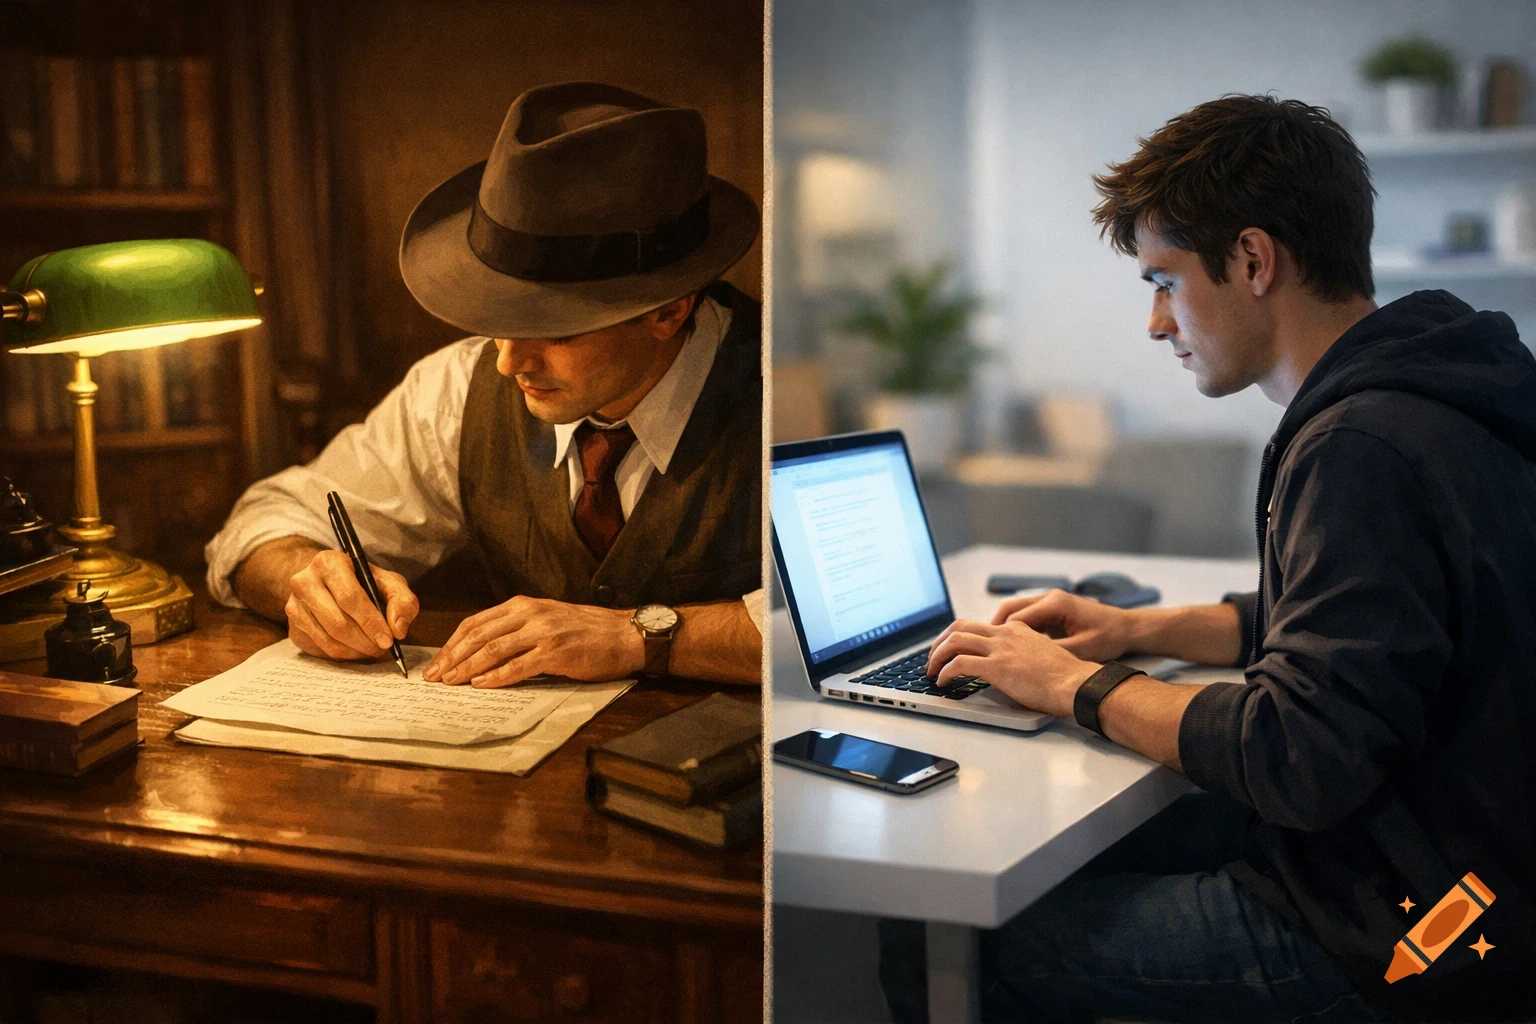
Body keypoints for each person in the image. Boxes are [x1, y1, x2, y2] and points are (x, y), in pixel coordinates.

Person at [889, 95, 1536, 1023]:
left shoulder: (1363, 445)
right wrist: (1135, 628)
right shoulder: (1437, 393)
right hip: (1459, 868)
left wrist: (1075, 683)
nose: (1157, 322)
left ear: (1252, 259)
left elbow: (1296, 754)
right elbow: (1359, 623)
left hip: (1403, 932)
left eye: (1164, 280)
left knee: (942, 931)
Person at [205, 81, 763, 687]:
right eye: (497, 320)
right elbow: (265, 521)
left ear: (668, 311)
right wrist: (309, 577)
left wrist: (635, 635)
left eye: (553, 329)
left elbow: (870, 629)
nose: (507, 363)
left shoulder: (807, 394)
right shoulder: (459, 389)